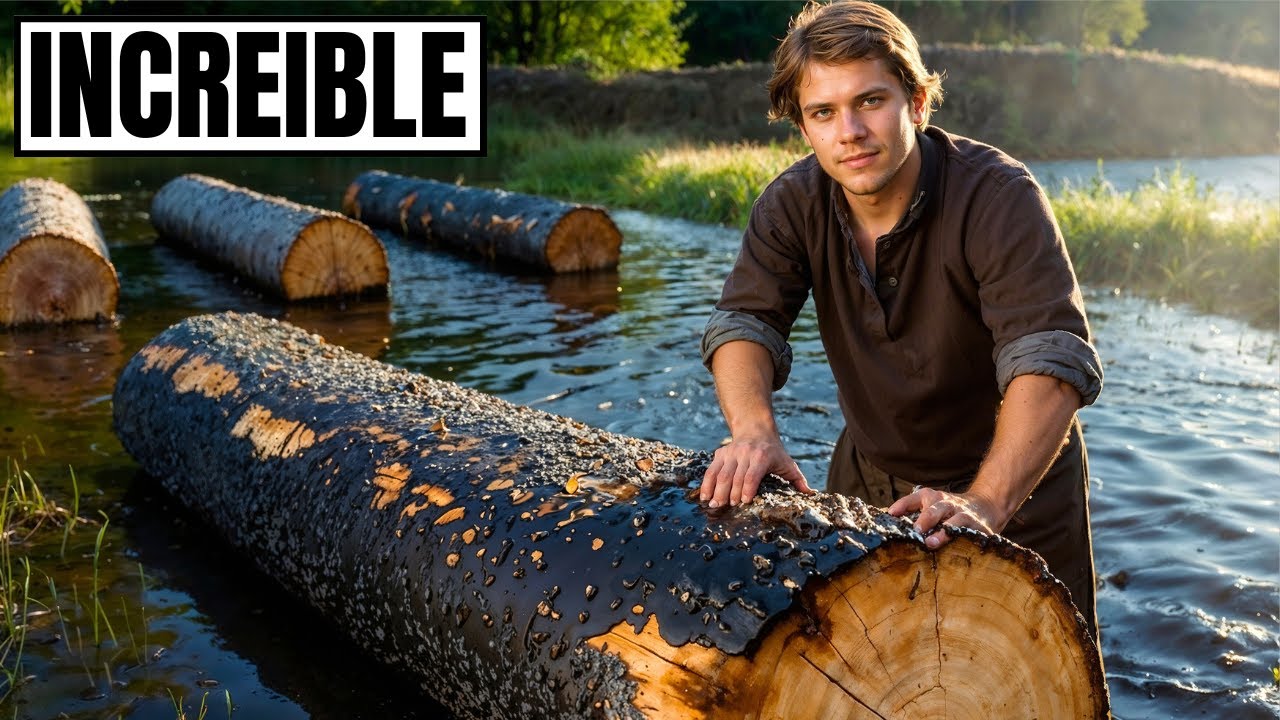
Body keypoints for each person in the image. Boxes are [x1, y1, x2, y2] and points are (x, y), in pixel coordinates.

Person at [698, 0, 1104, 638]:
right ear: (805, 127)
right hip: (868, 486)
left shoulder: (999, 196)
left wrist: (984, 502)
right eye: (823, 112)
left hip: (1014, 490)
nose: (848, 131)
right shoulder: (790, 203)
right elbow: (743, 323)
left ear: (916, 102)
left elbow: (1050, 359)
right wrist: (752, 431)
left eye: (870, 101)